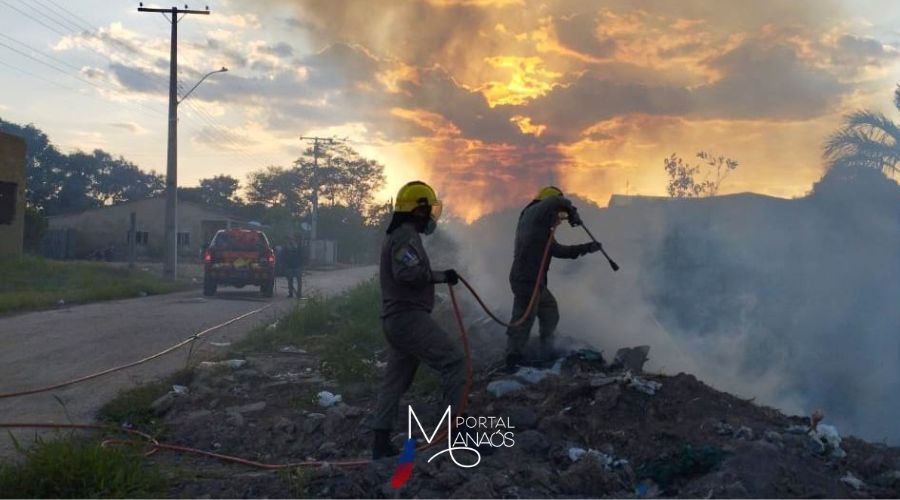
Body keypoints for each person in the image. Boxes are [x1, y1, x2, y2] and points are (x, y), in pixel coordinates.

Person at [370, 181, 464, 459]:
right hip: (408, 317)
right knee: (454, 361)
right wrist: (438, 276)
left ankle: (380, 442)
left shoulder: (404, 235)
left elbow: (410, 270)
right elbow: (406, 273)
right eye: (428, 209)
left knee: (395, 382)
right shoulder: (405, 235)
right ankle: (458, 432)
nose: (431, 217)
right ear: (418, 209)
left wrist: (440, 275)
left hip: (398, 319)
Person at [505, 186, 602, 371]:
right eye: (558, 214)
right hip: (526, 280)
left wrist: (587, 248)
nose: (558, 219)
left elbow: (559, 251)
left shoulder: (542, 230)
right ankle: (513, 357)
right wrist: (572, 212)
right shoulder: (534, 213)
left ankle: (547, 347)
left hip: (536, 282)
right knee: (524, 318)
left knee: (550, 310)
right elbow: (556, 201)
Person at [282, 234, 303, 298]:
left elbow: (301, 255)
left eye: (291, 239)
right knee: (291, 281)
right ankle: (292, 293)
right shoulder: (286, 247)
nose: (290, 240)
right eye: (289, 239)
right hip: (291, 266)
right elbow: (284, 256)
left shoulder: (298, 246)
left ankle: (298, 293)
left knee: (298, 281)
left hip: (296, 266)